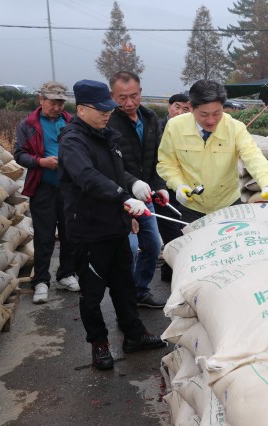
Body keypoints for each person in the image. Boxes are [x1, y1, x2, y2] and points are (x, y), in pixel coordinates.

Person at [58, 79, 165, 370]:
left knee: (124, 285)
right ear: (81, 109)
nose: (108, 113)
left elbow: (119, 176)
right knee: (92, 294)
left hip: (116, 225)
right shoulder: (73, 141)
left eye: (109, 108)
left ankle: (134, 334)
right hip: (89, 231)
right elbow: (88, 178)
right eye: (100, 109)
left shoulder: (108, 135)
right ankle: (99, 343)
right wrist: (122, 198)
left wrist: (132, 195)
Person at [157, 79, 268, 224]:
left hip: (228, 206)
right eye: (204, 114)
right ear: (191, 107)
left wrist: (267, 183)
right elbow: (166, 163)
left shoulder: (235, 128)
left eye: (217, 113)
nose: (211, 120)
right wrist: (178, 184)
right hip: (192, 207)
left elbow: (253, 156)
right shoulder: (175, 127)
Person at [13, 81, 79, 304]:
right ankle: (41, 280)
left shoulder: (71, 122)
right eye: (53, 102)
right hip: (43, 188)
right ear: (41, 100)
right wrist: (40, 161)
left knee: (70, 233)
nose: (57, 107)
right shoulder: (29, 124)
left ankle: (66, 274)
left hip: (69, 188)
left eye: (61, 102)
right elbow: (19, 154)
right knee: (44, 236)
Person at [108, 71, 166, 309]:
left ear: (141, 92)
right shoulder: (108, 122)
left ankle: (140, 291)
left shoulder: (151, 117)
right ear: (112, 95)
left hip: (146, 196)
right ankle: (124, 298)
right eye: (122, 98)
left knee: (152, 246)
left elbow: (158, 159)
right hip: (119, 197)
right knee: (129, 249)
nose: (129, 103)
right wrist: (132, 184)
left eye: (134, 96)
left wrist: (160, 187)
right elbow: (110, 165)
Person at [157, 93, 191, 283]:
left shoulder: (190, 131)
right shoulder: (158, 128)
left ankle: (175, 269)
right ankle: (170, 270)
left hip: (185, 188)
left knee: (184, 229)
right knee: (171, 231)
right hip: (164, 188)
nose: (179, 112)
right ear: (169, 107)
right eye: (176, 107)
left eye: (185, 109)